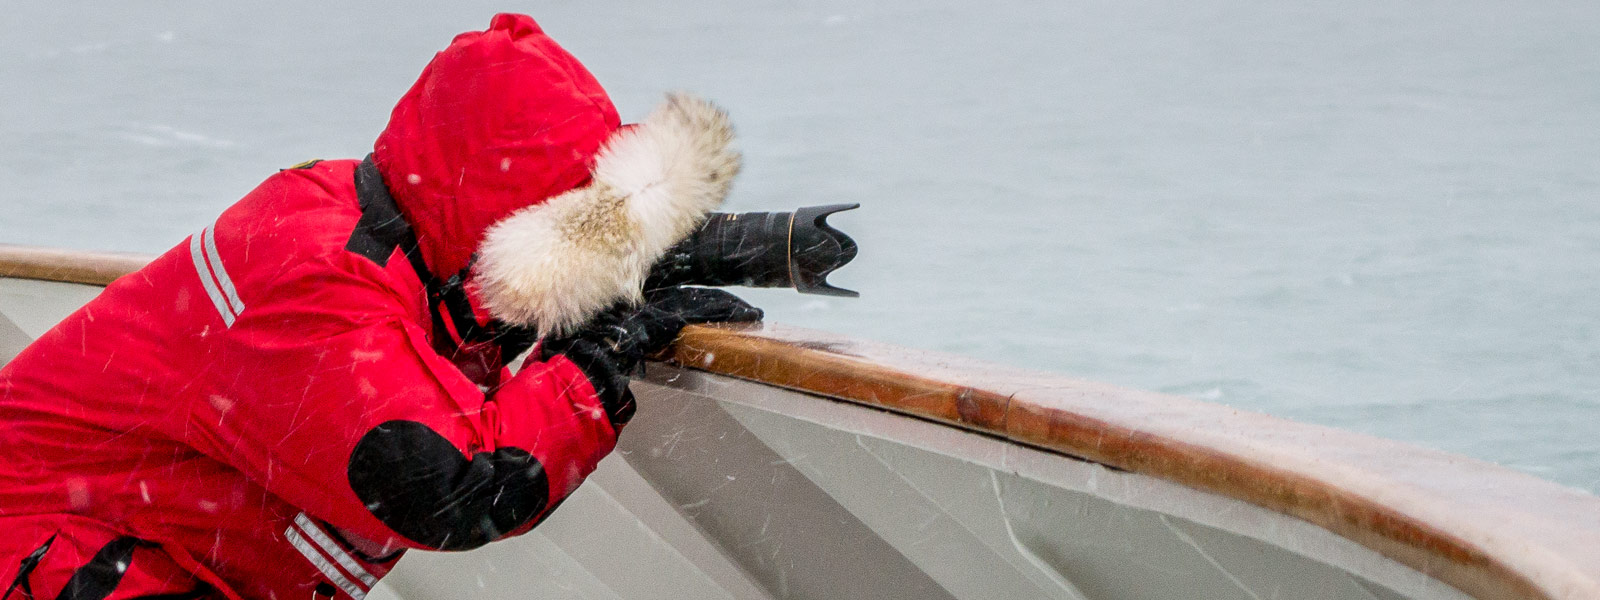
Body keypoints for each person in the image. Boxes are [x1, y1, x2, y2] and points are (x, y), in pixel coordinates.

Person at [0, 13, 759, 600]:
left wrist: (678, 249)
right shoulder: (312, 282)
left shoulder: (386, 232)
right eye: (575, 220)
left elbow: (466, 307)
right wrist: (593, 361)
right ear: (503, 211)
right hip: (55, 562)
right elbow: (458, 488)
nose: (578, 244)